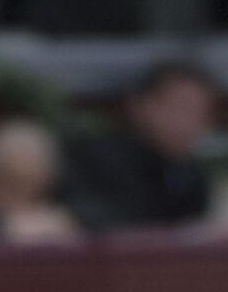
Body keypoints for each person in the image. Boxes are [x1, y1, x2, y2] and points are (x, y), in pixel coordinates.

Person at [64, 60, 218, 234]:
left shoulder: (187, 173)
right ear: (140, 105)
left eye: (201, 112)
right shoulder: (97, 159)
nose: (189, 123)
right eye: (180, 108)